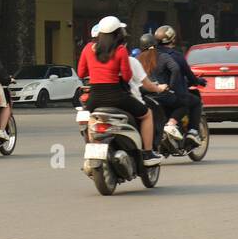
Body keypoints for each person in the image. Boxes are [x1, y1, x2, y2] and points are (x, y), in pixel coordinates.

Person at [77, 16, 162, 165]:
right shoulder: (120, 50)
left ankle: (91, 151)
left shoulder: (87, 49)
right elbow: (128, 76)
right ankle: (147, 153)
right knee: (147, 114)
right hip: (116, 96)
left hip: (94, 98)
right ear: (118, 33)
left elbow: (81, 72)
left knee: (88, 121)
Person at [152, 25, 205, 143]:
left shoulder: (147, 56)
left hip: (151, 95)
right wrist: (199, 81)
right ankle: (192, 131)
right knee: (194, 101)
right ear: (173, 39)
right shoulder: (176, 56)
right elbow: (189, 76)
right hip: (171, 95)